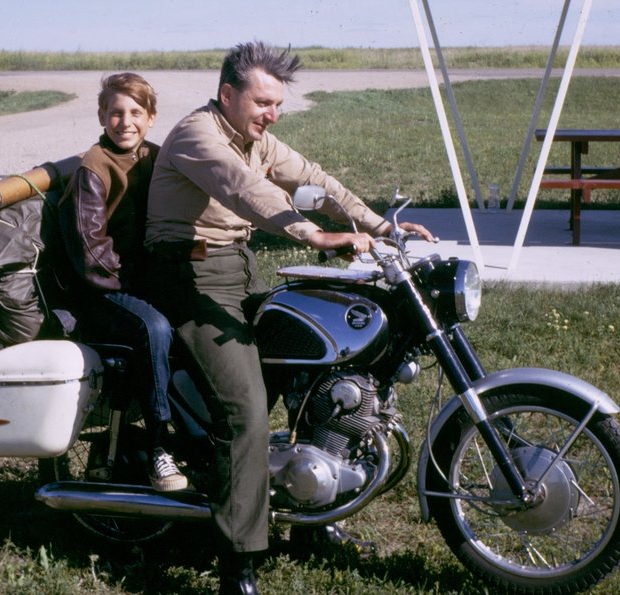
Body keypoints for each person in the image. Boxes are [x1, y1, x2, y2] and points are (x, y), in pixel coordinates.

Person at [143, 42, 434, 594]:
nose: (272, 114)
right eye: (262, 102)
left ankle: (311, 518)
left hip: (241, 270)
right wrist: (314, 234)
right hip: (187, 274)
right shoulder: (197, 135)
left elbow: (316, 180)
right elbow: (243, 189)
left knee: (316, 368)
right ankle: (238, 563)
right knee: (245, 411)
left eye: (278, 105)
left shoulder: (257, 137)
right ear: (228, 94)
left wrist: (380, 224)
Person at [54, 72, 187, 492]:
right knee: (155, 329)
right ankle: (157, 446)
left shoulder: (157, 157)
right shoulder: (92, 169)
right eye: (115, 112)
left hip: (142, 281)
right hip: (100, 292)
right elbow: (91, 255)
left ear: (151, 117)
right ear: (101, 116)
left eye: (135, 112)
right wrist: (141, 285)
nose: (124, 121)